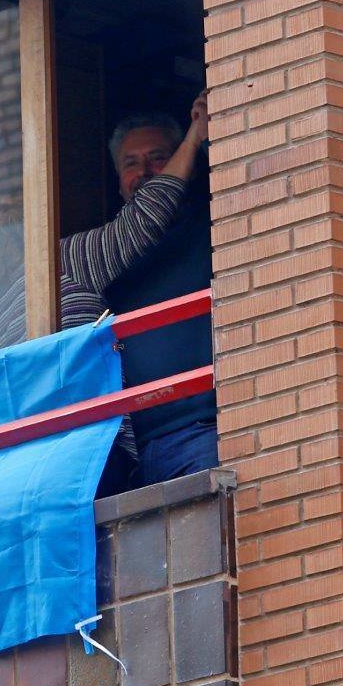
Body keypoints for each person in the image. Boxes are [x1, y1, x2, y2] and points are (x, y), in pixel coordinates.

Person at [0, 92, 210, 496]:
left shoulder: (59, 263)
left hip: (125, 446)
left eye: (6, 219)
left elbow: (142, 220)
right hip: (58, 468)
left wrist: (199, 134)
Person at [106, 107, 217, 487]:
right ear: (118, 181)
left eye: (158, 158)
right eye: (130, 163)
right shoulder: (106, 256)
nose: (145, 172)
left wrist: (199, 134)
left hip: (200, 431)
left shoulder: (214, 227)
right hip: (132, 453)